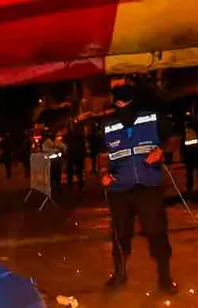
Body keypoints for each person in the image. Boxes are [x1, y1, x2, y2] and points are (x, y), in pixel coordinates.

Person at [99, 83, 177, 294]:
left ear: (134, 101)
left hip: (149, 186)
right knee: (120, 234)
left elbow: (172, 140)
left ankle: (165, 278)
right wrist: (104, 173)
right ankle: (119, 274)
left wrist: (161, 151)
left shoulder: (152, 118)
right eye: (119, 103)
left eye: (126, 102)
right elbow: (103, 156)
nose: (122, 106)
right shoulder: (108, 125)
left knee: (157, 231)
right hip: (119, 190)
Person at [66, 124, 86, 191]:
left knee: (71, 171)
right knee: (78, 171)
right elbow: (83, 147)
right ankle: (80, 186)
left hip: (73, 155)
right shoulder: (80, 137)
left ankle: (71, 185)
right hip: (77, 155)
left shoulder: (72, 137)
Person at [184, 114, 198, 195]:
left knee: (190, 172)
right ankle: (190, 189)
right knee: (190, 172)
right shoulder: (189, 131)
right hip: (193, 153)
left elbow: (185, 144)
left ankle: (189, 188)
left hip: (190, 154)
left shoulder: (187, 131)